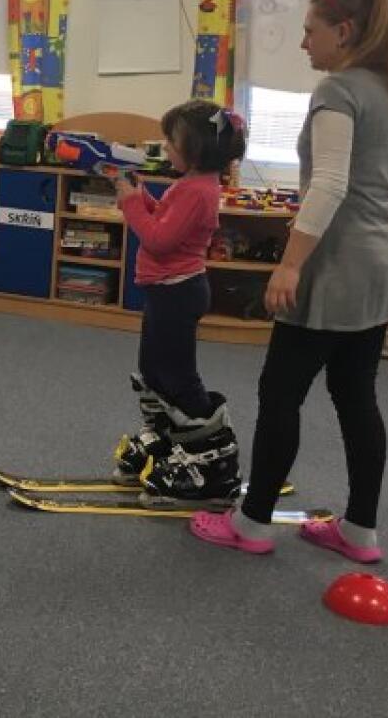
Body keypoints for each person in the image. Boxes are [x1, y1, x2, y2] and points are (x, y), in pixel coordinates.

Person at [192, 0, 388, 560]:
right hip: (383, 261)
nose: (303, 43)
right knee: (355, 394)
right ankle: (360, 530)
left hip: (335, 266)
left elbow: (331, 185)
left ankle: (253, 524)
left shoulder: (338, 90)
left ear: (344, 32)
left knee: (280, 392)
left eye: (310, 31)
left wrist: (290, 265)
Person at [112, 100, 249, 499]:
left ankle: (213, 458)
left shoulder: (198, 191)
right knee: (152, 369)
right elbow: (164, 221)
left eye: (171, 141)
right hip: (166, 290)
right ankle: (168, 438)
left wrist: (131, 203)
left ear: (196, 149)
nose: (165, 147)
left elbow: (158, 239)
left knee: (177, 375)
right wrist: (143, 197)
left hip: (178, 292)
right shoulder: (190, 185)